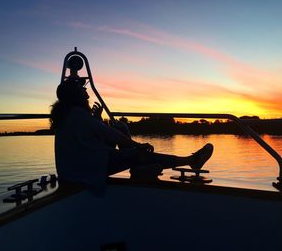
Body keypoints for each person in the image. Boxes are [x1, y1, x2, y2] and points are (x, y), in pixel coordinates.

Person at [50, 76, 214, 195]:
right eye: (82, 89)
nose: (86, 91)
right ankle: (191, 161)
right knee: (137, 152)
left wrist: (98, 119)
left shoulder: (69, 115)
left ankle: (141, 165)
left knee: (122, 131)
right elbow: (109, 135)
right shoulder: (77, 114)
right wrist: (137, 145)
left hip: (79, 166)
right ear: (76, 95)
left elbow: (92, 137)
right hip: (86, 169)